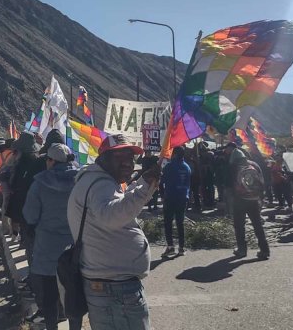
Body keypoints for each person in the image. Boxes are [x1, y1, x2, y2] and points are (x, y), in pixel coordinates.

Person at [68, 134, 160, 330]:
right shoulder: (101, 184)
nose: (128, 163)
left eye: (130, 157)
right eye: (120, 157)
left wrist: (142, 183)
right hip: (115, 291)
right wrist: (143, 190)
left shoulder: (97, 181)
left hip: (109, 287)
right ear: (103, 159)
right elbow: (111, 215)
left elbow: (114, 204)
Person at [23, 143, 81, 330]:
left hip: (47, 248)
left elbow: (30, 215)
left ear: (51, 161)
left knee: (49, 297)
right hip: (76, 248)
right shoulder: (81, 181)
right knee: (73, 297)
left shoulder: (39, 184)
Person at [224, 142, 270, 260]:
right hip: (254, 200)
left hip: (240, 200)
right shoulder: (253, 166)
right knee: (257, 225)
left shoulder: (233, 168)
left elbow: (229, 185)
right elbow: (261, 182)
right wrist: (261, 197)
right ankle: (264, 250)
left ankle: (242, 249)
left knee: (239, 226)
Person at [160, 146, 191, 258]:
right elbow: (188, 183)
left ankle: (170, 246)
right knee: (180, 223)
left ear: (176, 154)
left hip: (170, 197)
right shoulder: (187, 167)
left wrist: (162, 194)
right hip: (182, 197)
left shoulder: (169, 166)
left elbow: (162, 181)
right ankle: (181, 248)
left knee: (168, 222)